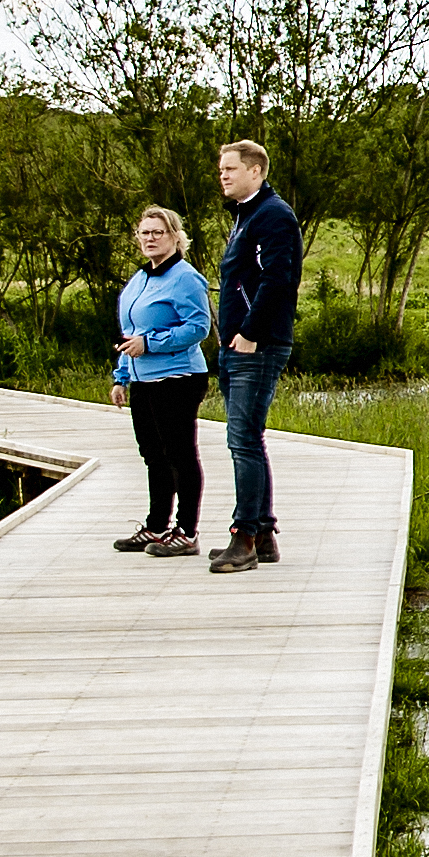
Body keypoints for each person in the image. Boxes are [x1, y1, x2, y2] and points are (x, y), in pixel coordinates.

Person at [206, 137, 303, 573]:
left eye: (230, 168)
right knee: (248, 439)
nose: (223, 176)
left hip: (256, 344)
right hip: (235, 344)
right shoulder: (246, 215)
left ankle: (243, 537)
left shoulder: (273, 215)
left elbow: (278, 279)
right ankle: (263, 535)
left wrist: (249, 332)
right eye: (221, 169)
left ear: (256, 171)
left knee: (242, 440)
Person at [111, 205, 212, 554]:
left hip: (178, 377)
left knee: (180, 454)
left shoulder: (185, 278)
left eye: (158, 232)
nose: (150, 239)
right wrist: (121, 376)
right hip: (142, 380)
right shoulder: (140, 279)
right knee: (153, 455)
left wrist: (151, 344)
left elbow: (198, 327)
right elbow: (131, 332)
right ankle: (156, 527)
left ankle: (187, 532)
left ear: (175, 237)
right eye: (145, 233)